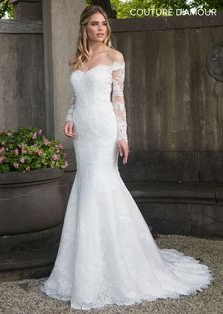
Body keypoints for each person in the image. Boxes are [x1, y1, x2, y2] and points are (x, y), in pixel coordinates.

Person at [40, 5, 212, 311]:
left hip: (104, 130)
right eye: (94, 24)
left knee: (102, 186)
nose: (101, 28)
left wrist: (123, 136)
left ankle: (117, 265)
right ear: (85, 28)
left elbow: (118, 99)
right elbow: (77, 97)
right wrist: (69, 117)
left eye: (104, 23)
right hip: (83, 130)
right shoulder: (79, 59)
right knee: (85, 187)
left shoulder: (115, 57)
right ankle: (82, 266)